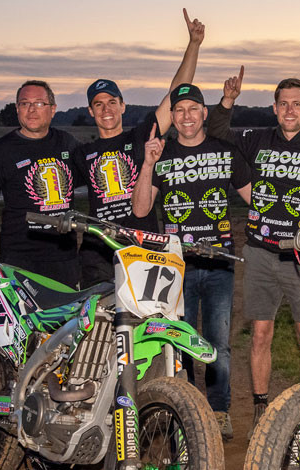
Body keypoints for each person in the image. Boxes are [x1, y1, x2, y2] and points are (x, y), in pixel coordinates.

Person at [206, 67, 300, 432]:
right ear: (274, 108)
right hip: (261, 251)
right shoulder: (259, 138)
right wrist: (227, 102)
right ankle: (261, 407)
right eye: (283, 104)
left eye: (296, 104)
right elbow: (217, 130)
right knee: (261, 333)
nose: (289, 110)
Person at [132, 83, 251, 441]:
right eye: (178, 110)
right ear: (173, 117)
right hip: (175, 268)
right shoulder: (162, 155)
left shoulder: (225, 152)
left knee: (217, 342)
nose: (185, 116)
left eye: (192, 109)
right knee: (175, 340)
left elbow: (256, 197)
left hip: (218, 264)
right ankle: (181, 407)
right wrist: (148, 164)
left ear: (203, 114)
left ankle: (218, 412)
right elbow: (140, 209)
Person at [74, 9, 204, 287]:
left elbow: (175, 93)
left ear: (123, 105)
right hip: (98, 252)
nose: (106, 109)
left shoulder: (141, 137)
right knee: (98, 325)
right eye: (98, 104)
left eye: (112, 102)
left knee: (145, 323)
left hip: (142, 245)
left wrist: (193, 45)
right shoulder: (82, 153)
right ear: (90, 110)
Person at [0, 80, 80, 288]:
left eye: (40, 103)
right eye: (25, 103)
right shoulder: (1, 150)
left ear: (52, 110)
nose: (32, 110)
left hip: (63, 259)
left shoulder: (67, 143)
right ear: (17, 109)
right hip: (19, 259)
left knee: (67, 320)